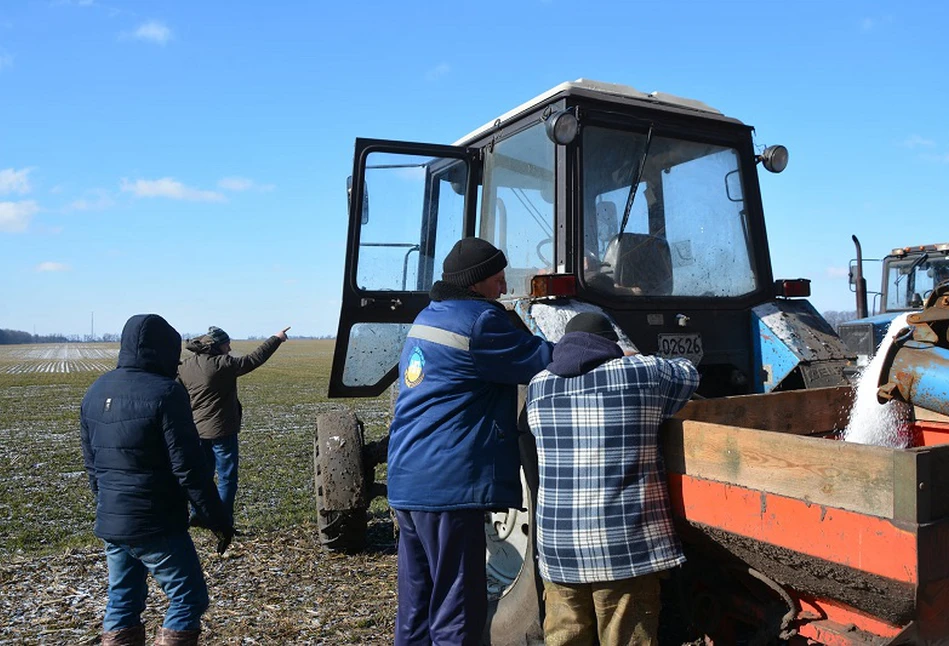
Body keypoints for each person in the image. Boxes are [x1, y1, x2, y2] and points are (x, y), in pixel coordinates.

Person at [387, 237, 555, 645]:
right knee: (458, 611)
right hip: (448, 487)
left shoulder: (429, 316)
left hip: (409, 482)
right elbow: (541, 359)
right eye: (497, 279)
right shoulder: (481, 322)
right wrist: (597, 347)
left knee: (416, 609)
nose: (502, 288)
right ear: (476, 282)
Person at [526, 311, 699, 646]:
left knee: (564, 638)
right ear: (611, 344)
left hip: (559, 551)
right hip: (625, 551)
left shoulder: (538, 386)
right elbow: (689, 373)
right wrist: (637, 356)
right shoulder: (640, 373)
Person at [80, 314, 233, 646]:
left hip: (113, 524)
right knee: (189, 598)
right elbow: (190, 469)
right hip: (157, 524)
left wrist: (112, 509)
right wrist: (217, 518)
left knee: (122, 603)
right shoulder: (167, 394)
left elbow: (93, 468)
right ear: (164, 351)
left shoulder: (95, 391)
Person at [177, 324, 290, 527]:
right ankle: (223, 520)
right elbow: (254, 359)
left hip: (197, 431)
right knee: (227, 477)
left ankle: (198, 513)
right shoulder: (222, 364)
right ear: (216, 346)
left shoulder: (186, 366)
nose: (229, 349)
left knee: (202, 476)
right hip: (222, 430)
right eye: (227, 345)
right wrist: (276, 338)